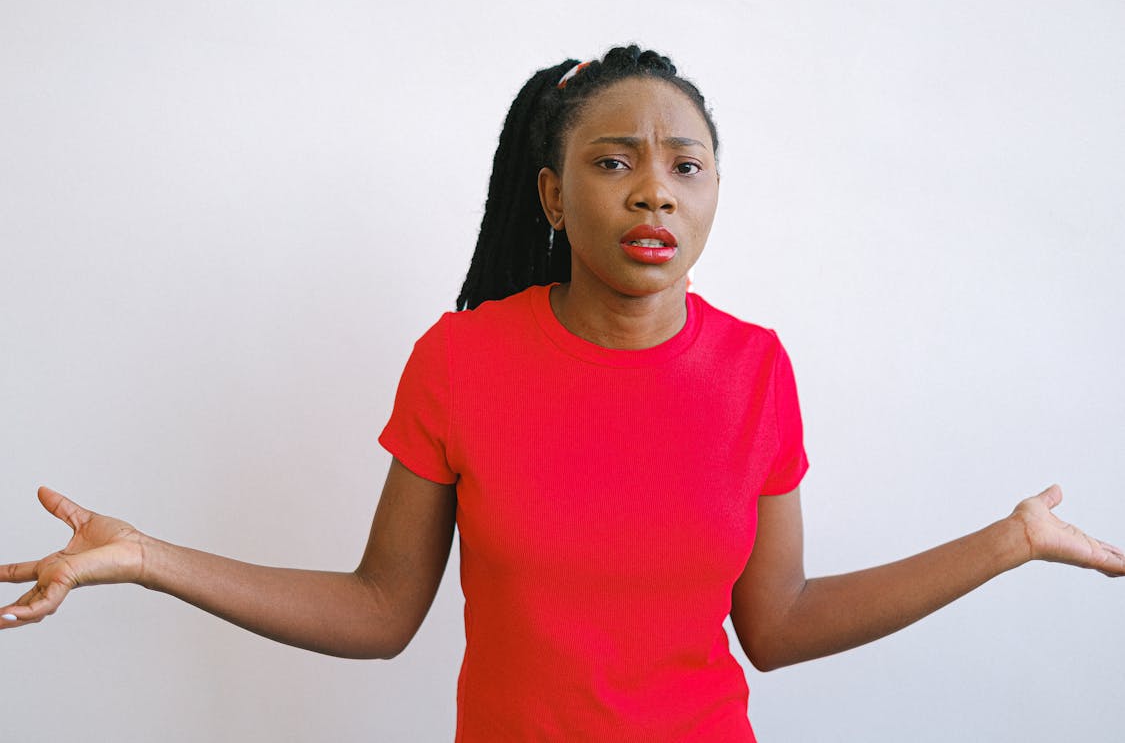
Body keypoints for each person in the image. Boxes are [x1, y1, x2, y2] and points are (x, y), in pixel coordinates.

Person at [1, 45, 1122, 742]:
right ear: (551, 189)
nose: (654, 190)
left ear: (716, 192)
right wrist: (151, 559)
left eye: (686, 164)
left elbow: (774, 627)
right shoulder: (461, 360)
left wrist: (1007, 543)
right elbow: (380, 609)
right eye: (612, 159)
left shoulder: (757, 370)